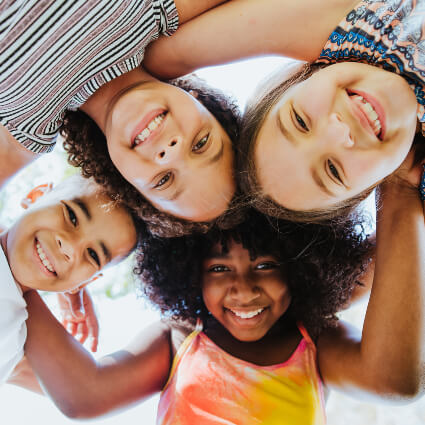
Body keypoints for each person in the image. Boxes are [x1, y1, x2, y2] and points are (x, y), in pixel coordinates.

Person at [18, 178, 424, 422]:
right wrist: (28, 279)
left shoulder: (315, 341)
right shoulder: (180, 340)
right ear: (191, 274)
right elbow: (85, 394)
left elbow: (394, 379)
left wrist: (400, 189)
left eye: (265, 265)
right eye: (218, 268)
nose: (243, 289)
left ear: (300, 270)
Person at [143, 0, 425, 222]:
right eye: (333, 171)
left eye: (300, 121)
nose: (339, 131)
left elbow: (163, 56)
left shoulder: (360, 33)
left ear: (300, 78)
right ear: (369, 188)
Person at [0, 0, 240, 237]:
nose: (172, 152)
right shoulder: (156, 9)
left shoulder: (29, 129)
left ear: (126, 181)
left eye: (164, 180)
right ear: (202, 103)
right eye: (201, 144)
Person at [0, 174, 139, 384]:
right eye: (72, 216)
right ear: (35, 196)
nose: (71, 248)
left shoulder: (16, 341)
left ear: (84, 283)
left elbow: (87, 393)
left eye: (93, 255)